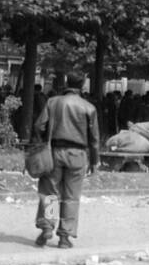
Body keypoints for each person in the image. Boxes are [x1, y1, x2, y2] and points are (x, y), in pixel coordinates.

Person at [33, 70, 100, 249]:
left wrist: (44, 140)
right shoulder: (88, 107)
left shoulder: (52, 102)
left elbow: (39, 125)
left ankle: (47, 226)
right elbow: (94, 138)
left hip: (54, 152)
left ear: (66, 82)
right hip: (78, 155)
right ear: (83, 84)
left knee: (51, 193)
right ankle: (64, 237)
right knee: (71, 197)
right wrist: (94, 161)